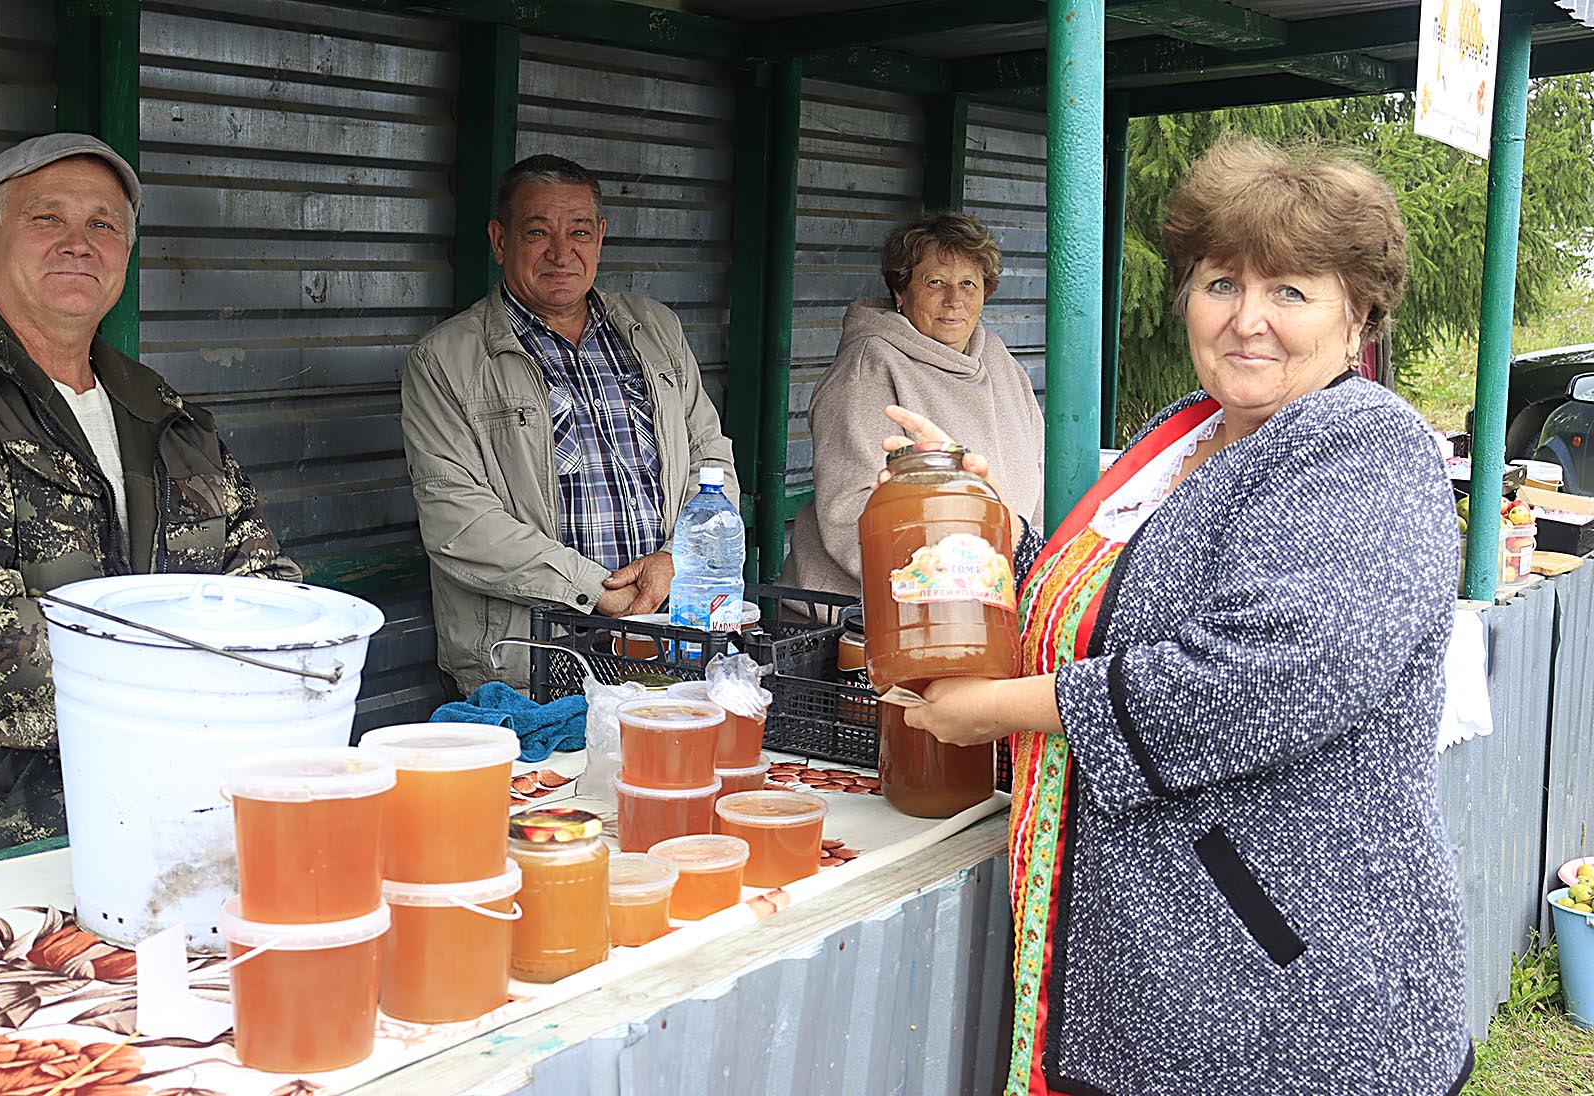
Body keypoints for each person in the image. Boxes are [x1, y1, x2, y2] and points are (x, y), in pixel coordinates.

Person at [888, 138, 1471, 1092]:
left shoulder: (1364, 448)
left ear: (1357, 311)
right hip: (1169, 962)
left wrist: (997, 709)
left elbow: (1269, 673)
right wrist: (983, 512)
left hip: (1283, 982)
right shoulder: (1190, 431)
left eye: (1291, 291)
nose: (1249, 320)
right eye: (1221, 283)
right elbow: (1112, 606)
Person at [0, 133, 299, 854]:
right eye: (47, 218)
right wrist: (201, 693)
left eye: (103, 224)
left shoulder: (167, 417)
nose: (78, 243)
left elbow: (270, 594)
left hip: (177, 816)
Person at [401, 154, 736, 695]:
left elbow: (710, 456)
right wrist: (595, 591)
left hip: (673, 637)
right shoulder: (445, 361)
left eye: (579, 231)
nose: (562, 252)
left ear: (600, 237)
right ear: (499, 239)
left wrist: (679, 558)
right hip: (534, 659)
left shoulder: (655, 329)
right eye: (537, 232)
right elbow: (457, 520)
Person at [784, 211, 1043, 597]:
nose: (954, 300)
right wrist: (959, 586)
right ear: (900, 292)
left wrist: (1028, 577)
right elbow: (851, 517)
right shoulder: (869, 368)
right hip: (868, 621)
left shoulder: (1000, 363)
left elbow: (1038, 495)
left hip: (995, 602)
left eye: (968, 284)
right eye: (935, 282)